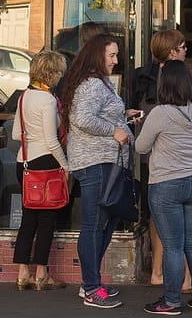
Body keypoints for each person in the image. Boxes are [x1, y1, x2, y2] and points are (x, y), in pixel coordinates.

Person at [135, 60, 192, 314]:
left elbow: (141, 147)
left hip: (166, 184)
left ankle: (171, 301)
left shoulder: (160, 113)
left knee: (172, 245)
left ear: (165, 84)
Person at [61, 33, 136, 309]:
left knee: (105, 222)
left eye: (116, 55)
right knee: (94, 225)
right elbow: (82, 118)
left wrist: (123, 116)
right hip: (96, 163)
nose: (116, 61)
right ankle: (91, 288)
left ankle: (90, 284)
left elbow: (95, 114)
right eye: (112, 55)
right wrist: (114, 130)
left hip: (103, 162)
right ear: (97, 56)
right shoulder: (92, 83)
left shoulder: (96, 82)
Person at [132, 29, 187, 287]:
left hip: (152, 158)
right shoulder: (177, 79)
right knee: (181, 217)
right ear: (173, 50)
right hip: (175, 159)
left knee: (157, 214)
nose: (187, 50)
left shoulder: (142, 77)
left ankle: (157, 271)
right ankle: (180, 277)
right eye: (183, 46)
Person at [11, 50, 69, 292]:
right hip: (45, 163)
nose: (60, 77)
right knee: (47, 221)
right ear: (53, 73)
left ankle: (22, 272)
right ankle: (41, 274)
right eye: (59, 73)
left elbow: (16, 134)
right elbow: (51, 141)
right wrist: (66, 166)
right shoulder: (47, 100)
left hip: (22, 162)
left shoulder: (25, 96)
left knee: (28, 219)